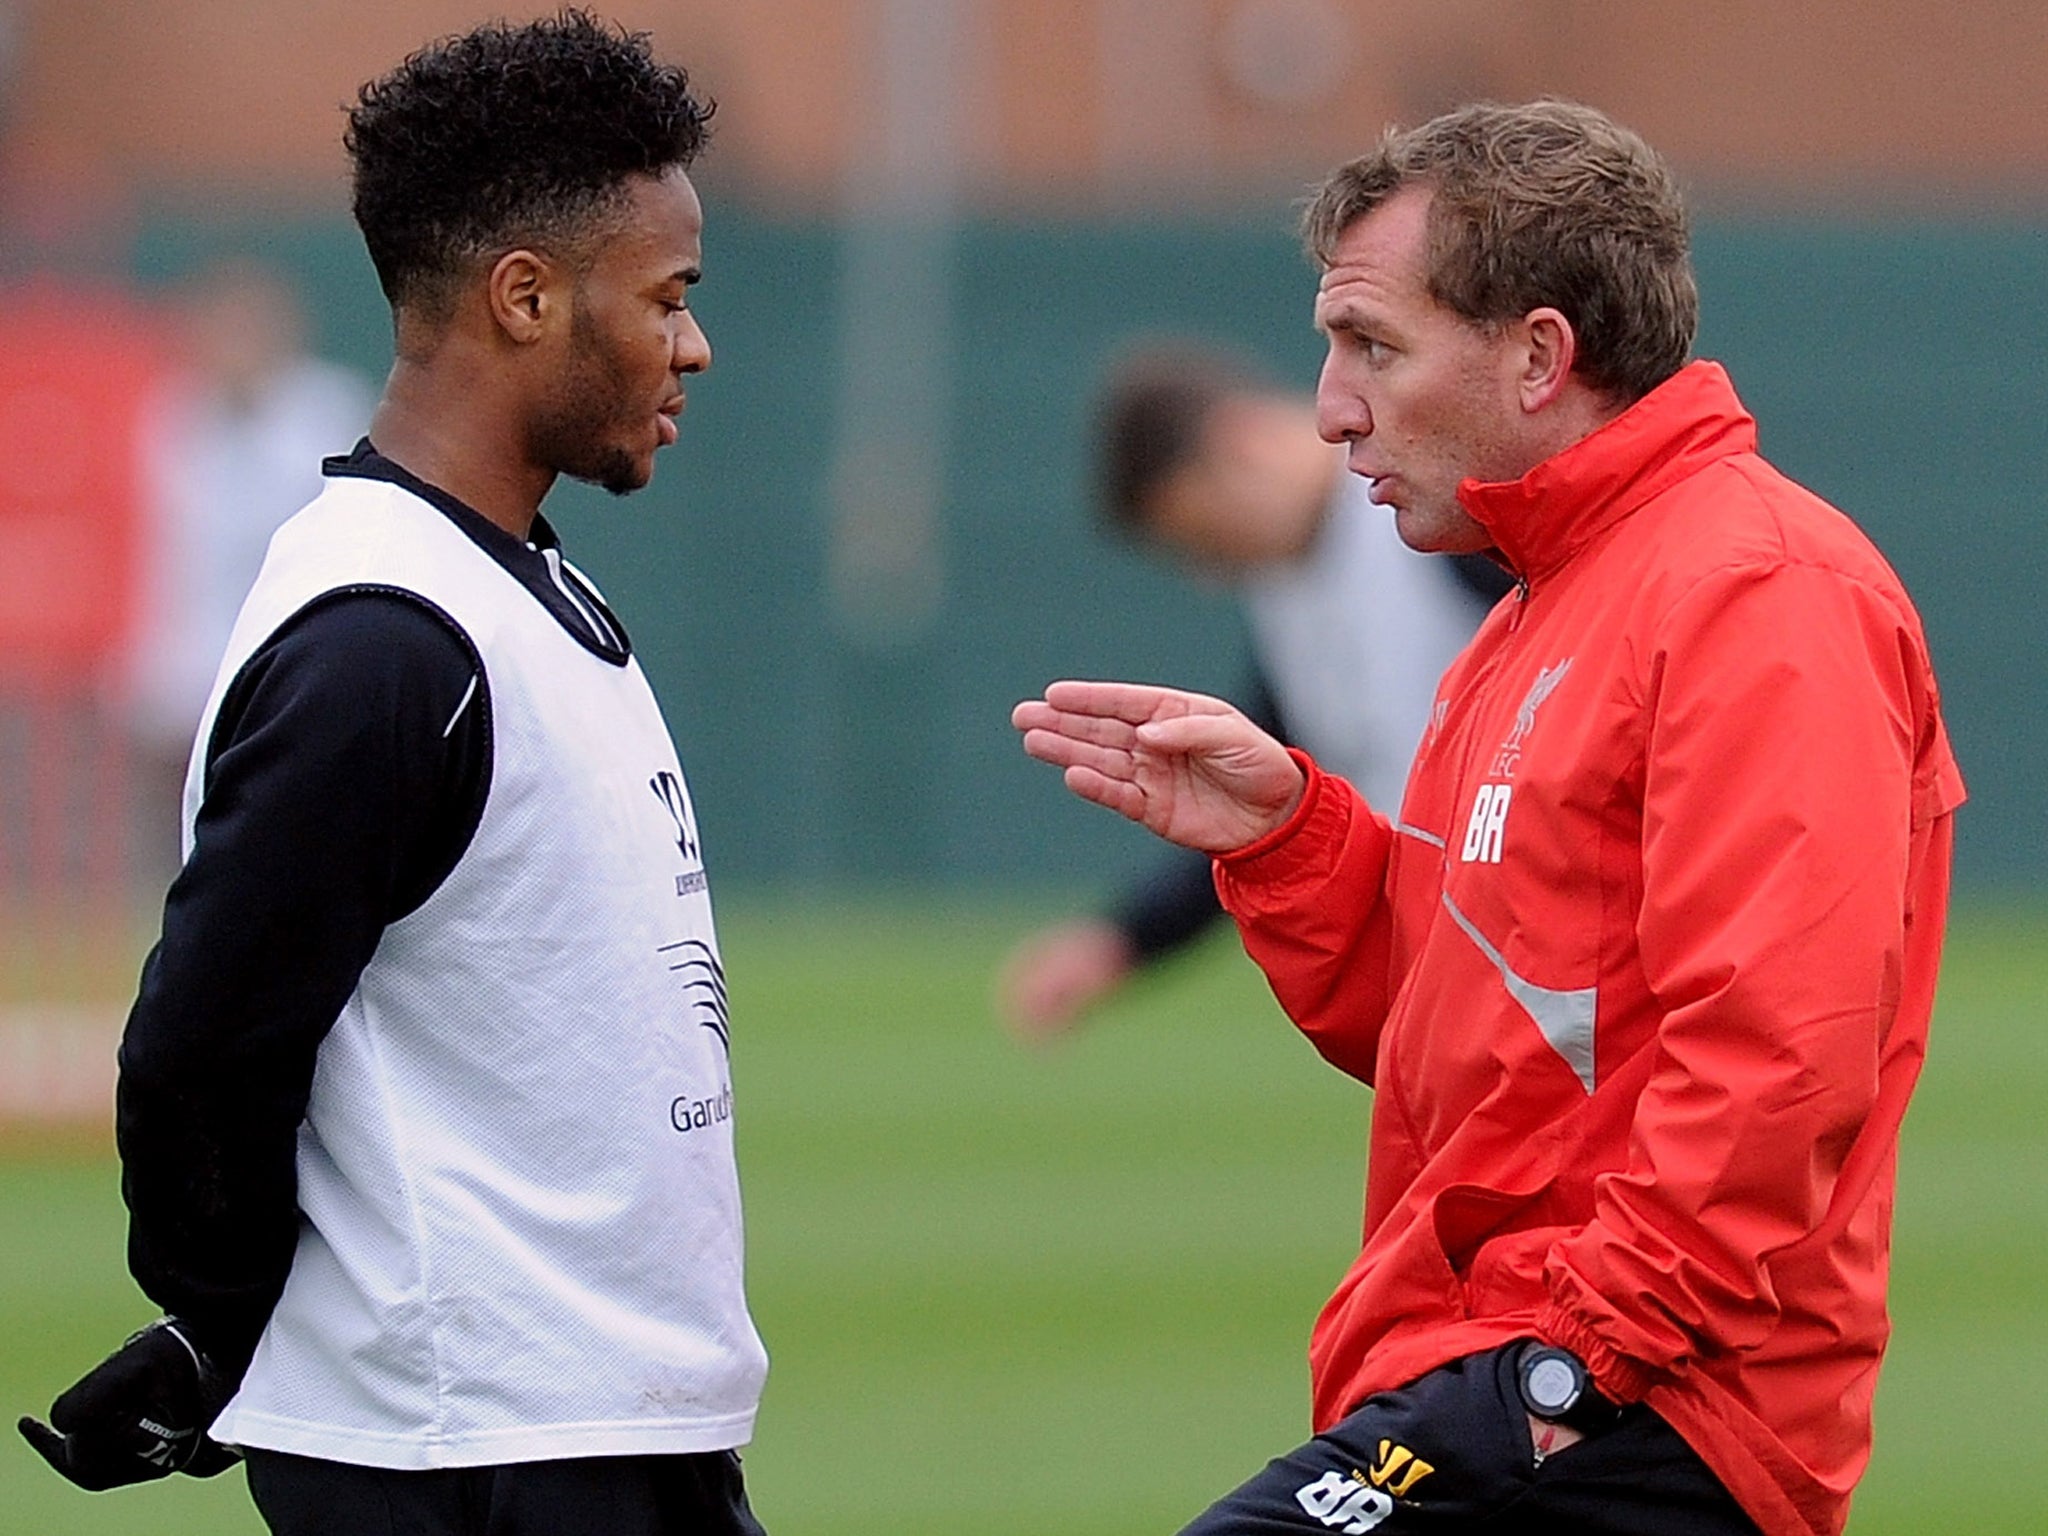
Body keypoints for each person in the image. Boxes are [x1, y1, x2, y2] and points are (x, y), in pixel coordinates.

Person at [1014, 99, 1962, 1536]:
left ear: (1539, 356)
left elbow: (1779, 1059)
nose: (1332, 406)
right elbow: (1478, 1033)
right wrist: (1295, 847)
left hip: (1646, 1408)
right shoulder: (1540, 612)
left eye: (1372, 347)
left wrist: (1577, 1371)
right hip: (1512, 1366)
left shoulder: (1755, 592)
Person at [20, 14, 771, 1535]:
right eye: (667, 299)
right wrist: (228, 1328)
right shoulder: (384, 640)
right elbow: (200, 1054)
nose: (692, 343)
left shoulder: (518, 587)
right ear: (525, 296)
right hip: (471, 1454)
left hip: (586, 1430)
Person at [999, 347, 1508, 1035]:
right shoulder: (1286, 586)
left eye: (1205, 538)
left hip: (1543, 936)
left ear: (1240, 442)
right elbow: (1257, 803)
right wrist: (1125, 940)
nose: (1210, 572)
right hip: (1455, 964)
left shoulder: (1439, 515)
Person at [125, 260, 375, 882]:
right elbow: (169, 557)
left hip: (295, 656)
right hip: (193, 660)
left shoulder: (329, 412)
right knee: (182, 830)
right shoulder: (170, 419)